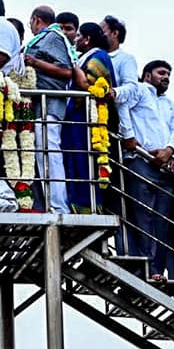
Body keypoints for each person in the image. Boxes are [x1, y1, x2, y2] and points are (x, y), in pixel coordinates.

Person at [111, 60, 174, 281]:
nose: (166, 77)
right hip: (140, 159)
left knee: (162, 220)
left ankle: (157, 270)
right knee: (142, 216)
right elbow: (122, 106)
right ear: (147, 75)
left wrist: (169, 150)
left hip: (164, 167)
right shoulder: (140, 90)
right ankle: (145, 268)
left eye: (168, 74)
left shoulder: (169, 104)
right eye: (161, 72)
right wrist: (128, 135)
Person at [23, 6, 74, 213]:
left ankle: (58, 206)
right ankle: (48, 203)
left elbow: (66, 71)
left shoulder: (52, 37)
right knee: (41, 154)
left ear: (36, 20)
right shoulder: (46, 38)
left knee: (49, 152)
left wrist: (35, 62)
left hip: (50, 104)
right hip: (38, 105)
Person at [62, 22, 116, 213]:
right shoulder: (86, 56)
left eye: (78, 37)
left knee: (83, 163)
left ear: (87, 39)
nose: (75, 40)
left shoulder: (98, 56)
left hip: (86, 120)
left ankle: (87, 207)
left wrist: (74, 67)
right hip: (75, 119)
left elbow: (89, 87)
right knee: (74, 162)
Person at [100, 15, 138, 87]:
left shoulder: (125, 59)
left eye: (102, 31)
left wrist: (114, 92)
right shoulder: (93, 55)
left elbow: (131, 87)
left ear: (115, 33)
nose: (97, 35)